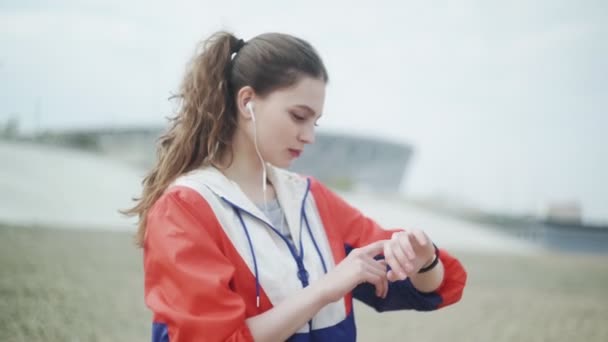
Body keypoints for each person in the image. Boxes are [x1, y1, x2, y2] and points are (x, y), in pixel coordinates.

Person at [124, 31, 467, 342]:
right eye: (298, 116)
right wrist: (324, 290)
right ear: (247, 102)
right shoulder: (187, 207)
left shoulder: (311, 197)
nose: (310, 136)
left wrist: (423, 259)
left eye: (315, 122)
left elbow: (413, 288)